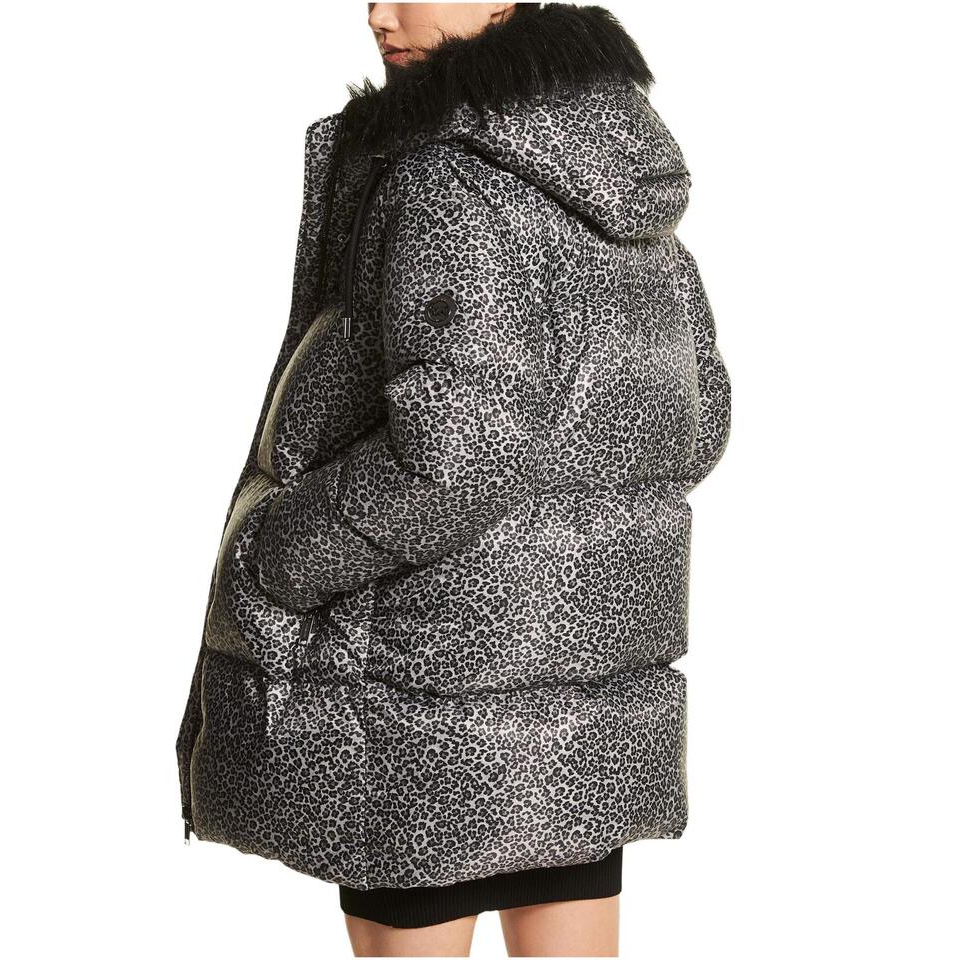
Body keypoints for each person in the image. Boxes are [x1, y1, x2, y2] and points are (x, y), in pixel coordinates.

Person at [176, 3, 731, 955]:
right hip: (581, 703)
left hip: (413, 696)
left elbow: (456, 456)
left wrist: (275, 555)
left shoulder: (444, 178)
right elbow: (698, 415)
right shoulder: (613, 166)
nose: (379, 13)